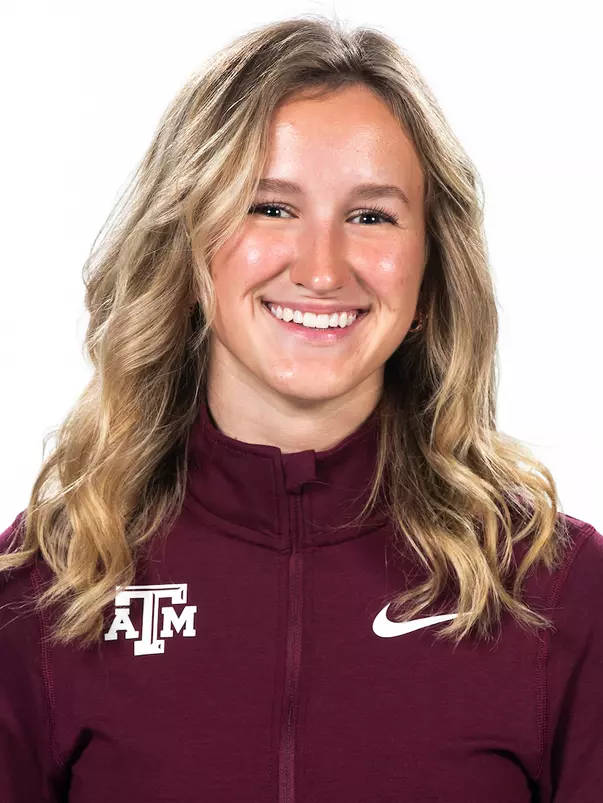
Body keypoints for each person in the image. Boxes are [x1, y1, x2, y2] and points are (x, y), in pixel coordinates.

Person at [0, 14, 601, 803]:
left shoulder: (554, 588)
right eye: (270, 207)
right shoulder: (50, 583)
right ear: (186, 247)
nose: (321, 270)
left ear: (429, 273)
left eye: (371, 216)